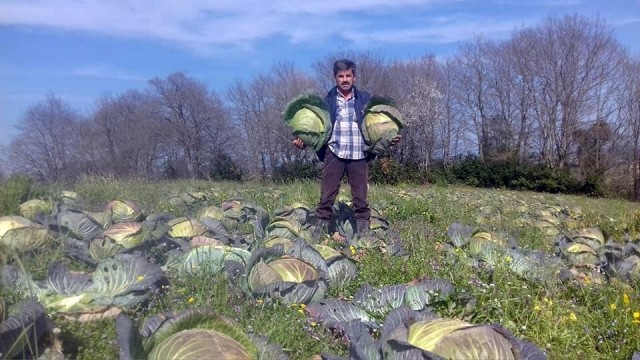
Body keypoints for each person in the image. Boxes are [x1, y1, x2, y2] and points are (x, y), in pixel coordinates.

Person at [292, 59, 401, 237]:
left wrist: (388, 138)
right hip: (334, 152)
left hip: (359, 153)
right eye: (341, 76)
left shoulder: (365, 100)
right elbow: (316, 128)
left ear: (354, 77)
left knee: (360, 197)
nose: (344, 79)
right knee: (327, 195)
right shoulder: (326, 102)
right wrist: (303, 142)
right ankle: (319, 233)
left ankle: (364, 235)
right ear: (335, 78)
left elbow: (377, 125)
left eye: (348, 76)